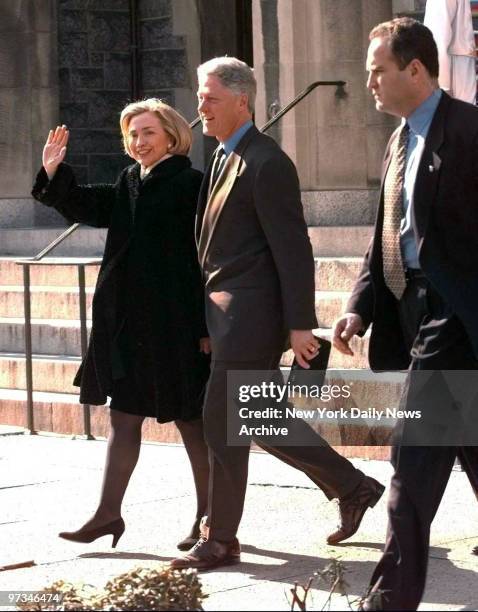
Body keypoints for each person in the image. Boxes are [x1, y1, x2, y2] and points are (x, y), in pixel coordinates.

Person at [170, 56, 385, 571]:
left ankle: (221, 539)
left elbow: (293, 249)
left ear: (241, 102)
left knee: (221, 420)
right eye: (200, 96)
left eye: (210, 97)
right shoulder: (225, 156)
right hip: (226, 315)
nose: (200, 106)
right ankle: (354, 487)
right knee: (261, 418)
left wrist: (297, 324)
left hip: (253, 318)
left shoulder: (268, 162)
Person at [332, 18, 478, 610]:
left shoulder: (469, 133)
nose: (368, 82)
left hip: (456, 318)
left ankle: (386, 602)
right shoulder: (398, 139)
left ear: (415, 70)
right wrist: (359, 307)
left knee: (410, 470)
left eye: (377, 70)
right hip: (414, 315)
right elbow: (387, 235)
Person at [32, 99, 211, 551]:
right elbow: (88, 205)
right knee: (123, 418)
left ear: (172, 135)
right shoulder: (131, 180)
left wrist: (207, 325)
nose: (139, 141)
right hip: (128, 326)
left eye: (148, 132)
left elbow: (207, 262)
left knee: (192, 422)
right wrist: (54, 174)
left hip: (177, 326)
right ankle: (107, 514)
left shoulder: (192, 185)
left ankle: (209, 519)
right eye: (132, 134)